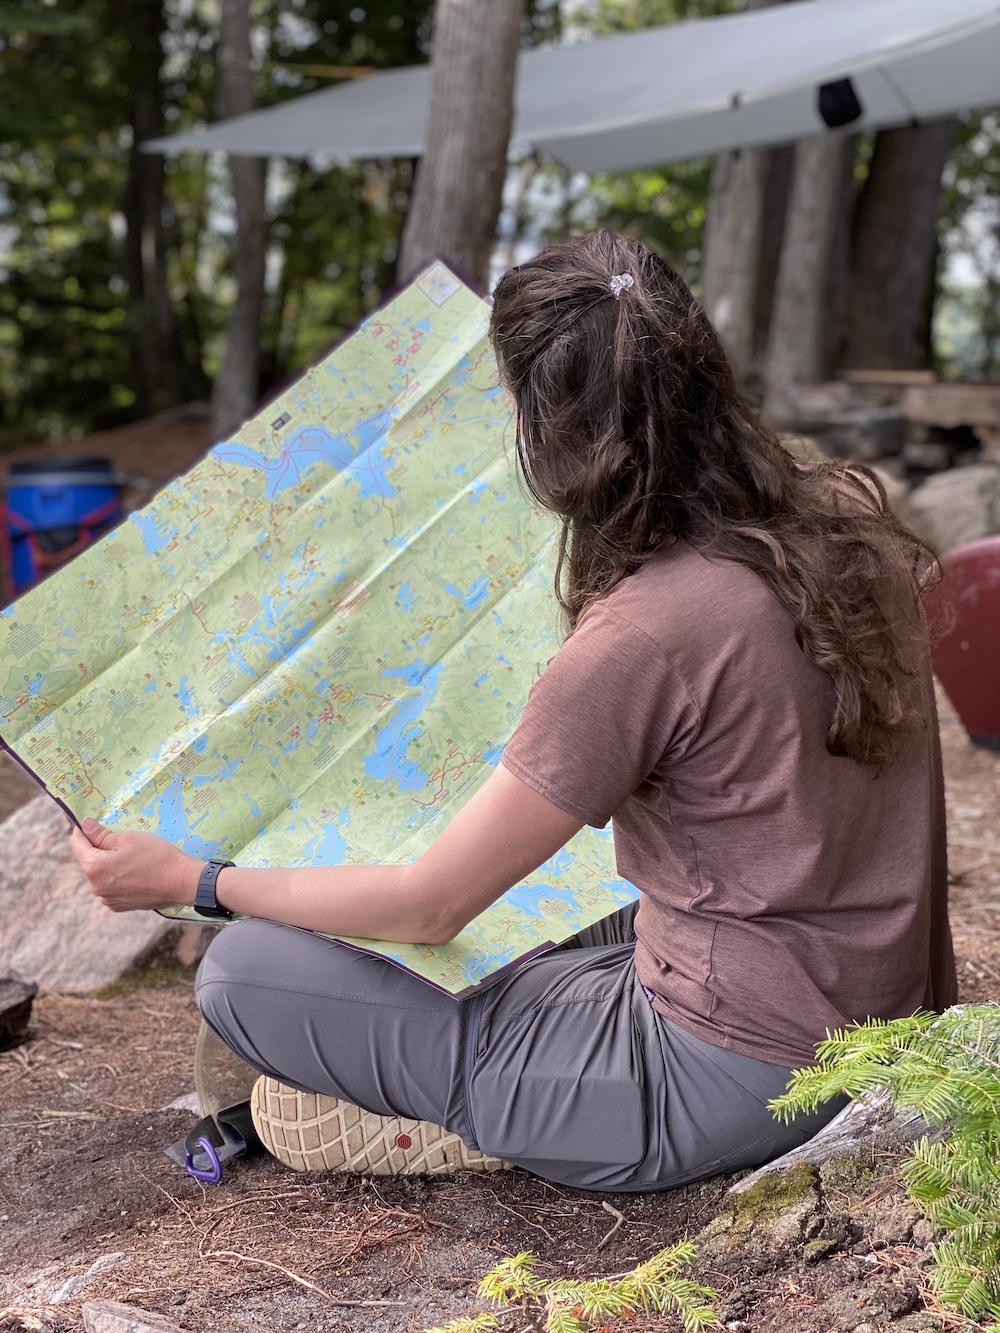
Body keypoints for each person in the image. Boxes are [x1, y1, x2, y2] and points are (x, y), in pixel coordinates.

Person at [70, 231, 956, 1192]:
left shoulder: (646, 631)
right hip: (877, 1010)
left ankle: (487, 1109)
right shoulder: (844, 517)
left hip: (737, 1075)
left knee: (242, 973)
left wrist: (198, 878)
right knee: (557, 894)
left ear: (549, 431)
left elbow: (431, 902)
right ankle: (515, 1068)